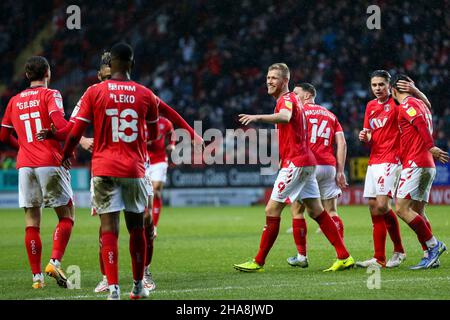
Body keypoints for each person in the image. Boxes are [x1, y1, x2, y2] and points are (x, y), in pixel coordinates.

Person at [234, 63, 354, 272]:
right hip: (305, 162)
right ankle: (344, 256)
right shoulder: (293, 101)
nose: (269, 81)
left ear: (285, 81)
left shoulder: (287, 100)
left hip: (298, 163)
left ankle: (259, 261)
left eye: (274, 78)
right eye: (268, 77)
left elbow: (285, 117)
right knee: (317, 211)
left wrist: (257, 117)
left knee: (272, 209)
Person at [62, 43, 159, 300]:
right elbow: (156, 135)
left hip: (103, 167)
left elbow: (74, 131)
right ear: (131, 63)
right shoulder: (146, 94)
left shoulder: (94, 92)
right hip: (134, 168)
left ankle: (113, 288)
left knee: (108, 227)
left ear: (111, 63)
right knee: (136, 227)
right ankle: (138, 286)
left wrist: (65, 154)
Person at [0, 56, 75, 289]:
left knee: (32, 221)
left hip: (25, 165)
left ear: (26, 75)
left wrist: (23, 146)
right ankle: (54, 262)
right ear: (48, 74)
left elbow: (2, 137)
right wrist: (72, 135)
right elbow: (61, 127)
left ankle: (36, 279)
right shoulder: (51, 95)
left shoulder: (14, 100)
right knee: (67, 215)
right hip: (49, 162)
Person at [356, 70, 432, 268]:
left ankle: (399, 251)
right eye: (374, 85)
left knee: (383, 205)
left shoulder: (397, 103)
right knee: (374, 206)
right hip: (374, 160)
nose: (378, 89)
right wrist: (365, 138)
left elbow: (425, 107)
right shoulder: (370, 106)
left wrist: (416, 91)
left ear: (389, 86)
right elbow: (371, 134)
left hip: (393, 159)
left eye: (381, 84)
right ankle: (379, 257)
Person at [286, 83, 348, 268]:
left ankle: (301, 256)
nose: (293, 96)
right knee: (332, 211)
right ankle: (342, 255)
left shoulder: (298, 113)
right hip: (328, 166)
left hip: (307, 165)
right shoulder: (330, 115)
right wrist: (340, 170)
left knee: (297, 211)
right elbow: (342, 143)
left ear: (307, 95)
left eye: (296, 93)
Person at [390, 73, 448, 269]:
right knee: (418, 212)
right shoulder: (420, 103)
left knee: (401, 208)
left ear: (393, 90)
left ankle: (434, 245)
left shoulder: (407, 106)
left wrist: (431, 146)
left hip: (416, 162)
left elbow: (420, 124)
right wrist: (416, 90)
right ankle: (432, 258)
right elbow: (428, 107)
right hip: (426, 164)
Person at [147, 116, 176, 238]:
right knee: (147, 194)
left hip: (160, 160)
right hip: (144, 160)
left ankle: (154, 226)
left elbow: (172, 133)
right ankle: (146, 223)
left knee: (156, 189)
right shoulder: (140, 121)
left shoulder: (166, 122)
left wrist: (172, 144)